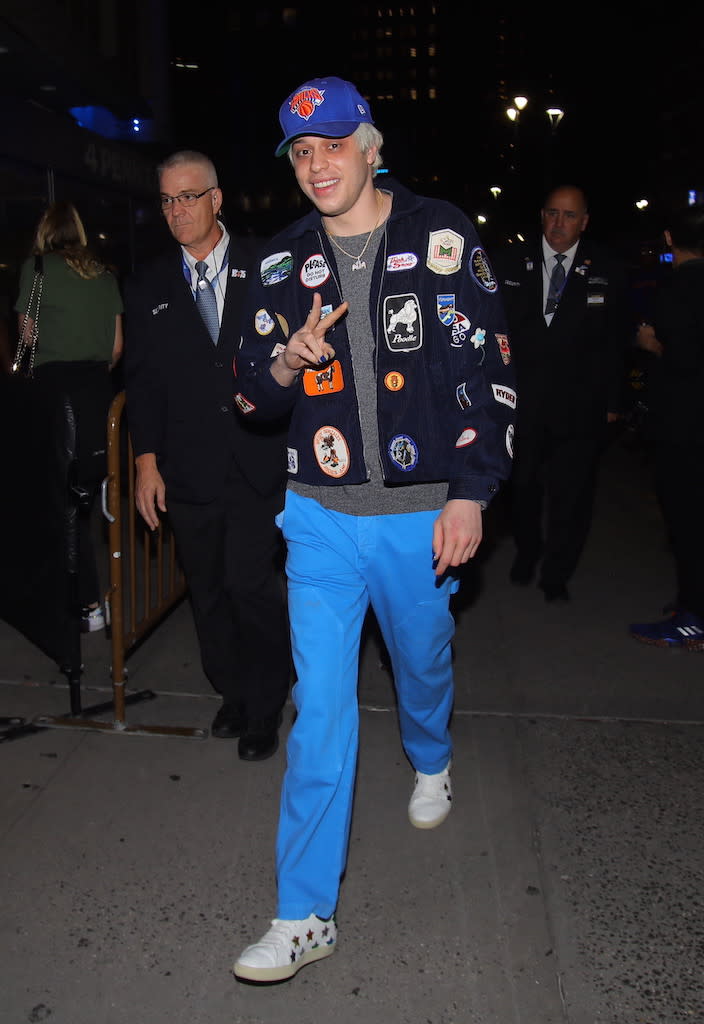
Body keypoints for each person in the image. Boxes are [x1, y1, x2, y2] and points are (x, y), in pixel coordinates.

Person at [230, 75, 515, 982]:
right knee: (320, 712)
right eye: (301, 152)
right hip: (318, 517)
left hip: (421, 512)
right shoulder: (280, 263)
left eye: (333, 144)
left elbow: (489, 365)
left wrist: (472, 490)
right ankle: (304, 911)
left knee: (422, 658)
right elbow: (247, 389)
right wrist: (284, 357)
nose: (317, 164)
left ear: (372, 146)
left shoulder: (442, 234)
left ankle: (431, 754)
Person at [122, 150, 291, 759]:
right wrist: (146, 461)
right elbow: (141, 382)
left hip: (256, 461)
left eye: (188, 197)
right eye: (166, 200)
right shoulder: (148, 285)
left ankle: (267, 703)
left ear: (216, 199)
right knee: (209, 590)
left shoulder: (267, 264)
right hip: (188, 467)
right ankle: (234, 691)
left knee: (251, 584)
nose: (176, 211)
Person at [494, 185, 630, 601]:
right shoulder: (512, 262)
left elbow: (617, 341)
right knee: (522, 487)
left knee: (571, 495)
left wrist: (615, 401)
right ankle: (527, 550)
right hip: (524, 404)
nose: (559, 223)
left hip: (580, 405)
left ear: (584, 222)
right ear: (541, 215)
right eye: (552, 213)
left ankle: (557, 572)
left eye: (569, 216)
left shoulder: (607, 268)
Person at [13, 200, 124, 633]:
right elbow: (117, 347)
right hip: (99, 394)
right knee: (87, 500)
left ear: (45, 231)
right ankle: (99, 596)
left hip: (55, 397)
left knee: (59, 504)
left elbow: (27, 334)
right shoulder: (104, 274)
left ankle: (87, 605)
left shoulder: (36, 269)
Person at [629, 202, 704, 650]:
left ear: (670, 239)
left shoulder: (678, 288)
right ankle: (690, 602)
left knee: (686, 520)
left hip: (686, 426)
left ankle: (692, 616)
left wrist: (648, 343)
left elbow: (681, 356)